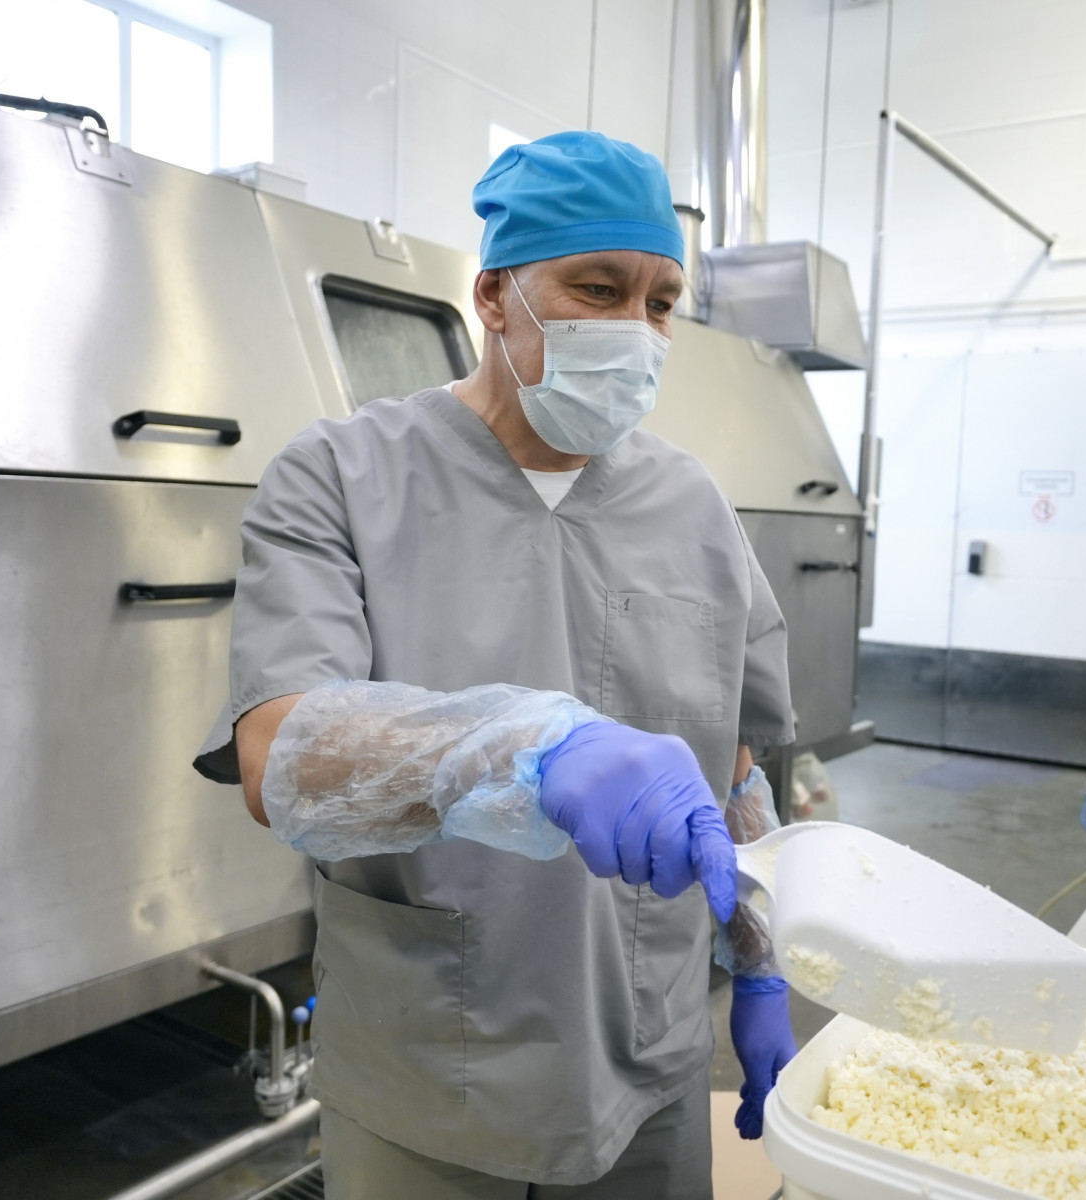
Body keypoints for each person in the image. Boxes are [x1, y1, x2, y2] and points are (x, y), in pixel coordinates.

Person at [193, 130, 799, 1198]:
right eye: (597, 289)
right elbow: (280, 756)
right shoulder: (340, 478)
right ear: (493, 297)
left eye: (660, 304)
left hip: (648, 1052)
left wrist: (760, 965)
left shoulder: (693, 506)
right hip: (429, 1059)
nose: (634, 328)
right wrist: (529, 751)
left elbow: (735, 770)